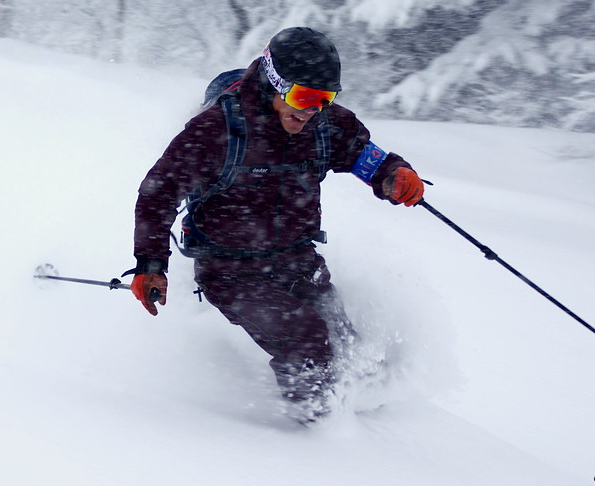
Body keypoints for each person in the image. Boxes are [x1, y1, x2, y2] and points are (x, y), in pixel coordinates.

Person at [129, 27, 424, 421]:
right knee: (307, 341)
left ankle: (364, 418)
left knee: (348, 347)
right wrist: (151, 265)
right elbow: (158, 194)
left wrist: (394, 175)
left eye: (325, 99)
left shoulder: (325, 126)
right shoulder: (215, 132)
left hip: (296, 258)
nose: (311, 111)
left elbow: (363, 156)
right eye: (303, 97)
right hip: (229, 269)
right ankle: (316, 437)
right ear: (274, 82)